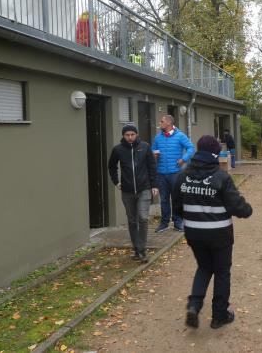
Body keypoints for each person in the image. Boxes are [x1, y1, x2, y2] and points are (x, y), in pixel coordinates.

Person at [172, 135, 253, 329]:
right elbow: (237, 207)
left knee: (204, 267)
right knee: (222, 272)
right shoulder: (221, 177)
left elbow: (176, 206)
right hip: (219, 235)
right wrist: (247, 209)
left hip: (194, 233)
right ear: (215, 154)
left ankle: (194, 305)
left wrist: (193, 218)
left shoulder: (182, 176)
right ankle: (219, 316)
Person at [108, 124, 158, 263]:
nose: (130, 137)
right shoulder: (118, 149)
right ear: (123, 136)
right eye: (127, 135)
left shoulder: (145, 147)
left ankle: (142, 250)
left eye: (132, 134)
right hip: (127, 191)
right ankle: (136, 249)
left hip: (144, 189)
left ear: (136, 135)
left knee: (142, 218)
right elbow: (111, 166)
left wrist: (154, 185)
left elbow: (152, 166)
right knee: (132, 220)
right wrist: (116, 181)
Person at [152, 115, 196, 233]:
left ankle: (178, 222)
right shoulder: (157, 138)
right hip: (161, 174)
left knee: (176, 199)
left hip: (176, 173)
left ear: (169, 123)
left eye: (162, 121)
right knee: (164, 200)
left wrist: (183, 159)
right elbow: (152, 150)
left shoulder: (180, 136)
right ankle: (164, 223)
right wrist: (153, 154)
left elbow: (191, 148)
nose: (160, 123)